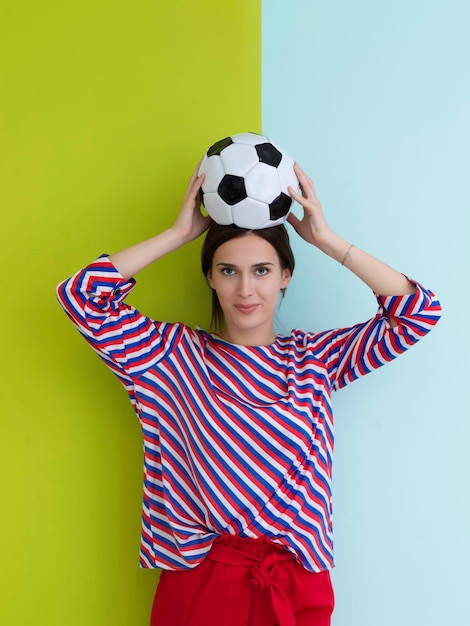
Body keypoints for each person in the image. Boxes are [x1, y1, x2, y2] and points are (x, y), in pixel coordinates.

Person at [56, 163, 442, 626]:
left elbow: (418, 312)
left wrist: (325, 240)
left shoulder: (315, 358)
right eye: (228, 271)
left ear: (285, 276)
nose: (245, 290)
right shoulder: (166, 356)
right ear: (210, 278)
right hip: (201, 579)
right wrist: (180, 233)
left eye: (261, 270)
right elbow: (81, 295)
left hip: (296, 581)